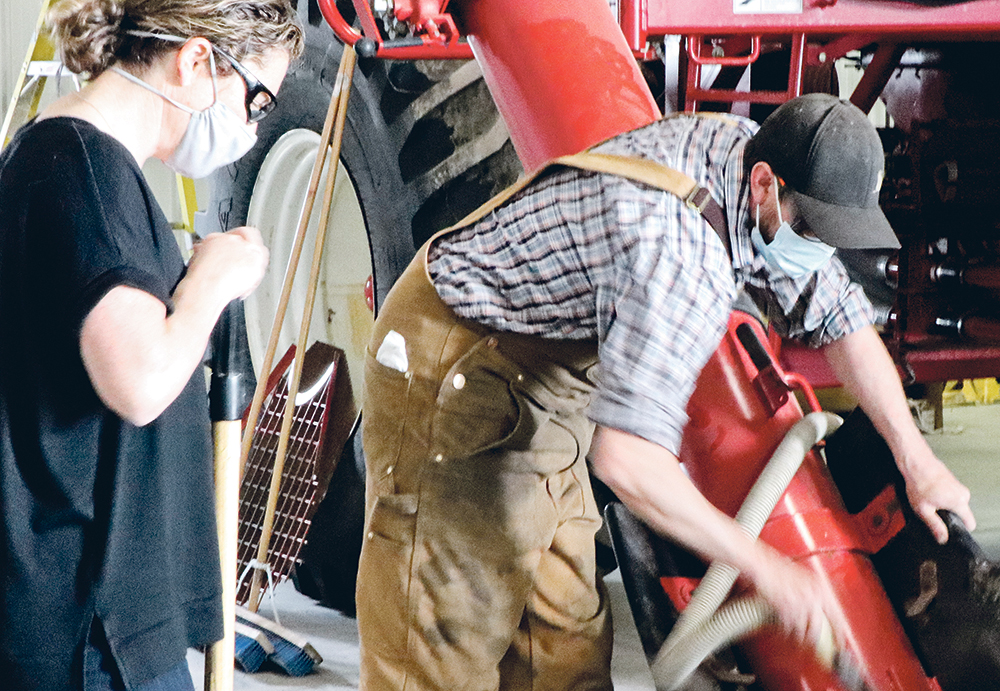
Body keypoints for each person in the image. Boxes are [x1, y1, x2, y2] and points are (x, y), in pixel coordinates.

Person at [356, 93, 977, 691]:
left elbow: (840, 315)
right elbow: (628, 461)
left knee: (562, 644)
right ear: (766, 184)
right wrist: (771, 573)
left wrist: (916, 462)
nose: (820, 250)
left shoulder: (749, 163)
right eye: (812, 231)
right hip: (455, 365)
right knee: (445, 637)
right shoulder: (681, 254)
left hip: (547, 380)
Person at [0, 1, 302, 689]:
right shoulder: (86, 172)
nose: (252, 130)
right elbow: (137, 379)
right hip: (88, 626)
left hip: (87, 615)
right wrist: (210, 284)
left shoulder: (66, 161)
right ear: (195, 60)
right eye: (255, 101)